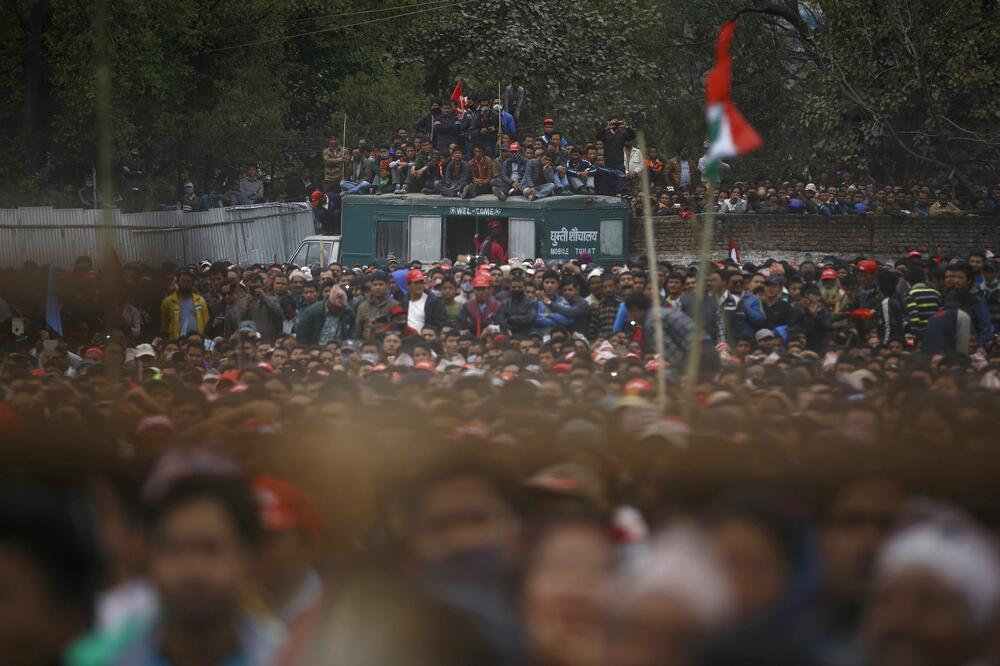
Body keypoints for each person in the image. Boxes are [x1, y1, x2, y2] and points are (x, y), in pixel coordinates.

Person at [110, 474, 283, 666]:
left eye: (210, 549)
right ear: (148, 558)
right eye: (174, 548)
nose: (192, 569)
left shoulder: (287, 658)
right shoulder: (109, 659)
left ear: (249, 559)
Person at [160, 270, 209, 339]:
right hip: (176, 342)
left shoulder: (200, 300)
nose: (185, 284)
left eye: (188, 281)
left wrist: (206, 338)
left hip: (197, 341)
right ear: (178, 282)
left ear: (192, 284)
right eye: (183, 281)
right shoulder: (168, 301)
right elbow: (164, 324)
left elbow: (206, 322)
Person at [458, 273, 507, 337]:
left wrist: (489, 328)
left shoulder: (497, 306)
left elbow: (502, 326)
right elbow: (463, 325)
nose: (480, 292)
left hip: (492, 338)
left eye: (483, 289)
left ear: (490, 290)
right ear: (474, 290)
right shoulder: (467, 306)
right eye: (478, 289)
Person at [355, 271, 398, 340]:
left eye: (381, 284)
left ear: (387, 286)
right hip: (367, 344)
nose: (378, 287)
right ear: (371, 286)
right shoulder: (363, 306)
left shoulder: (394, 305)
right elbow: (358, 329)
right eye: (375, 285)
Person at [121, 145, 146, 213]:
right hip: (128, 184)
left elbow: (143, 174)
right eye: (133, 150)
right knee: (129, 202)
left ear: (139, 152)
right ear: (130, 151)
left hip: (139, 184)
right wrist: (137, 172)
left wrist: (130, 171)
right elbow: (125, 173)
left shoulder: (142, 161)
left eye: (136, 151)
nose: (135, 152)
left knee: (139, 203)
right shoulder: (126, 160)